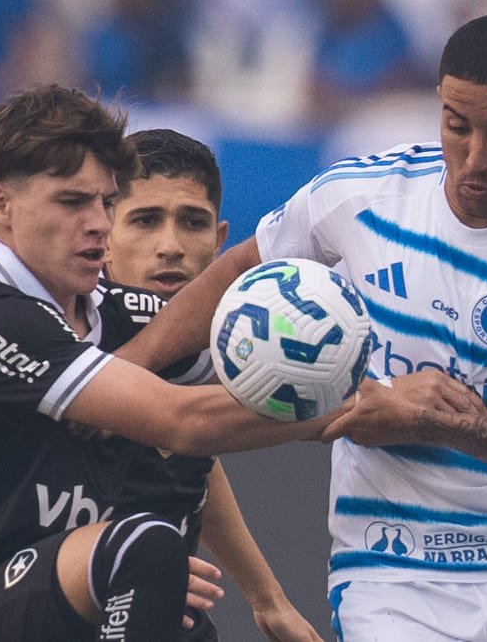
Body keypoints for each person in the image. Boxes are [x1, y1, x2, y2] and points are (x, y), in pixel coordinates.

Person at [120, 13, 487, 640]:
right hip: (390, 572)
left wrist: (434, 422)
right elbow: (242, 265)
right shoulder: (361, 195)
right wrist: (120, 369)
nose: (474, 158)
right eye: (456, 126)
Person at [0, 85, 474, 641]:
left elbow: (230, 409)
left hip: (76, 594)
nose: (96, 223)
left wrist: (394, 397)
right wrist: (367, 403)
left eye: (106, 202)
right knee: (147, 549)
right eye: (71, 202)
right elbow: (185, 422)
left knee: (165, 582)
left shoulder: (123, 312)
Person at [97, 127, 320, 640]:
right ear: (103, 235)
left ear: (220, 242)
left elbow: (194, 456)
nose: (170, 246)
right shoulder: (72, 333)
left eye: (192, 223)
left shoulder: (206, 340)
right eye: (146, 220)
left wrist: (268, 600)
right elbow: (187, 424)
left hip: (164, 607)